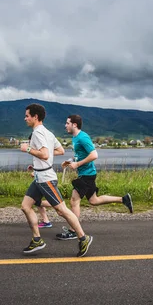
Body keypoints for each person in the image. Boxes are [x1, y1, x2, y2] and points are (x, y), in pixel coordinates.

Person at [19, 103, 93, 257]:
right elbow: (59, 151)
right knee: (26, 206)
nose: (25, 118)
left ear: (35, 117)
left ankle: (83, 238)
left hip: (46, 179)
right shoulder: (48, 133)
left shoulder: (38, 134)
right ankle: (37, 239)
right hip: (40, 176)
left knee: (62, 210)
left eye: (27, 116)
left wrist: (27, 149)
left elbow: (45, 154)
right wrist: (37, 164)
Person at [50, 114, 133, 241]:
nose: (65, 125)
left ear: (74, 124)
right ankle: (124, 199)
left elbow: (94, 155)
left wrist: (77, 164)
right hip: (87, 173)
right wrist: (70, 161)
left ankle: (73, 231)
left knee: (74, 200)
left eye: (67, 123)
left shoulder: (83, 137)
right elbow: (81, 155)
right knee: (94, 200)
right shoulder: (75, 138)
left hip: (87, 175)